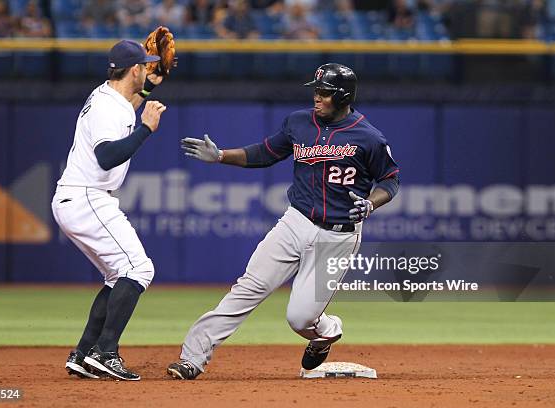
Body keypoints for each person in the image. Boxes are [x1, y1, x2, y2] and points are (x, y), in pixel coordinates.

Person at [167, 63, 400, 380]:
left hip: (338, 236)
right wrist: (222, 155)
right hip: (296, 221)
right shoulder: (299, 122)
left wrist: (370, 204)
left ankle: (327, 331)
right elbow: (265, 152)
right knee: (249, 287)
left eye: (324, 92)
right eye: (316, 91)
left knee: (299, 319)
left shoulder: (368, 137)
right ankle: (193, 356)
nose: (317, 97)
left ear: (343, 96)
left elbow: (389, 181)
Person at [53, 40, 166, 381]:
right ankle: (106, 352)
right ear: (133, 69)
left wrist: (149, 88)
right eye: (144, 66)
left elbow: (127, 106)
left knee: (119, 275)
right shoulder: (106, 107)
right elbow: (106, 157)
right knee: (139, 269)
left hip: (80, 197)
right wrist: (147, 128)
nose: (147, 69)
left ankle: (85, 352)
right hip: (87, 196)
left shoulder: (109, 96)